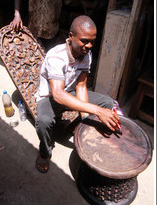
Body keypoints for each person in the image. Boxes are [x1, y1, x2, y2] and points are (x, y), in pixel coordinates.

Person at [35, 15, 120, 173]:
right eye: (84, 40)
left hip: (69, 91)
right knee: (43, 122)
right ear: (71, 36)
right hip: (51, 97)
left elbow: (81, 85)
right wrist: (96, 111)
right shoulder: (56, 56)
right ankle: (44, 152)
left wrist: (85, 117)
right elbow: (58, 95)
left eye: (92, 41)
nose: (88, 46)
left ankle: (79, 128)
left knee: (107, 103)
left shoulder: (86, 55)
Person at [10, 0, 75, 51]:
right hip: (32, 30)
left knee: (47, 57)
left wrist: (84, 3)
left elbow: (70, 1)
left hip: (51, 33)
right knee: (30, 57)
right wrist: (17, 15)